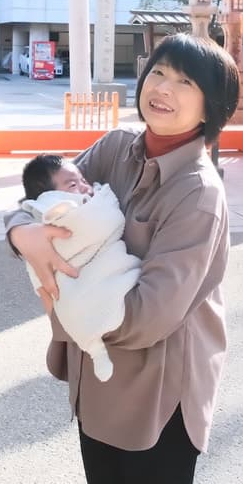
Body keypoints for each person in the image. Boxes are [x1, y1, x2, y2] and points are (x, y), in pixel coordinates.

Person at [5, 33, 239, 484]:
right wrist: (23, 235)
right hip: (98, 384)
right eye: (159, 73)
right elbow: (38, 199)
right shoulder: (116, 149)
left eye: (186, 82)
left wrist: (71, 306)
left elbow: (150, 314)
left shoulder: (198, 193)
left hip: (158, 391)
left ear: (211, 109)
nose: (164, 89)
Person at [17, 155, 142, 382]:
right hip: (72, 277)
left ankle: (95, 345)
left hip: (104, 264)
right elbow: (104, 221)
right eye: (73, 185)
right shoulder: (51, 210)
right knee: (72, 304)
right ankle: (95, 348)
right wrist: (17, 231)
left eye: (82, 180)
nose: (85, 187)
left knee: (85, 300)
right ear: (50, 195)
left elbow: (106, 219)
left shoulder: (92, 197)